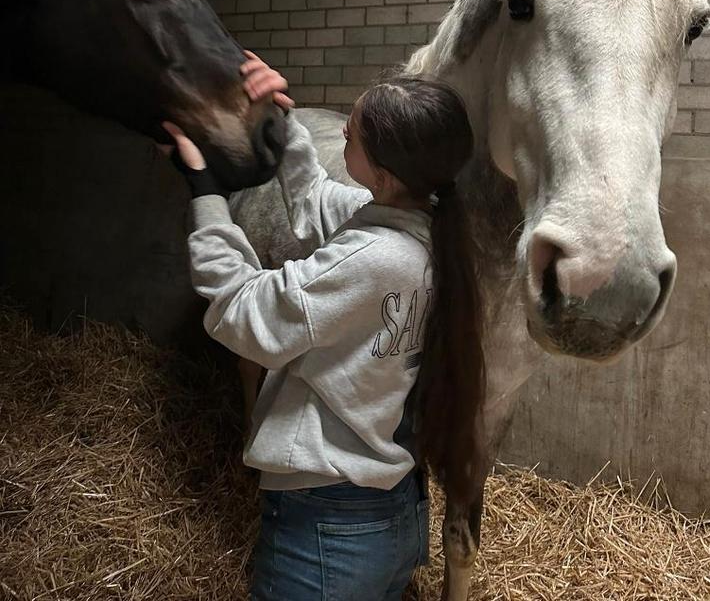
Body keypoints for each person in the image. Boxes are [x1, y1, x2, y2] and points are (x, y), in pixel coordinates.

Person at [163, 51, 486, 601]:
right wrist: (279, 119)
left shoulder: (373, 259)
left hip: (328, 528)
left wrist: (206, 194)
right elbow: (314, 197)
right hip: (389, 512)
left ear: (381, 173)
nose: (341, 141)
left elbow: (245, 312)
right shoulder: (428, 232)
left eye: (350, 136)